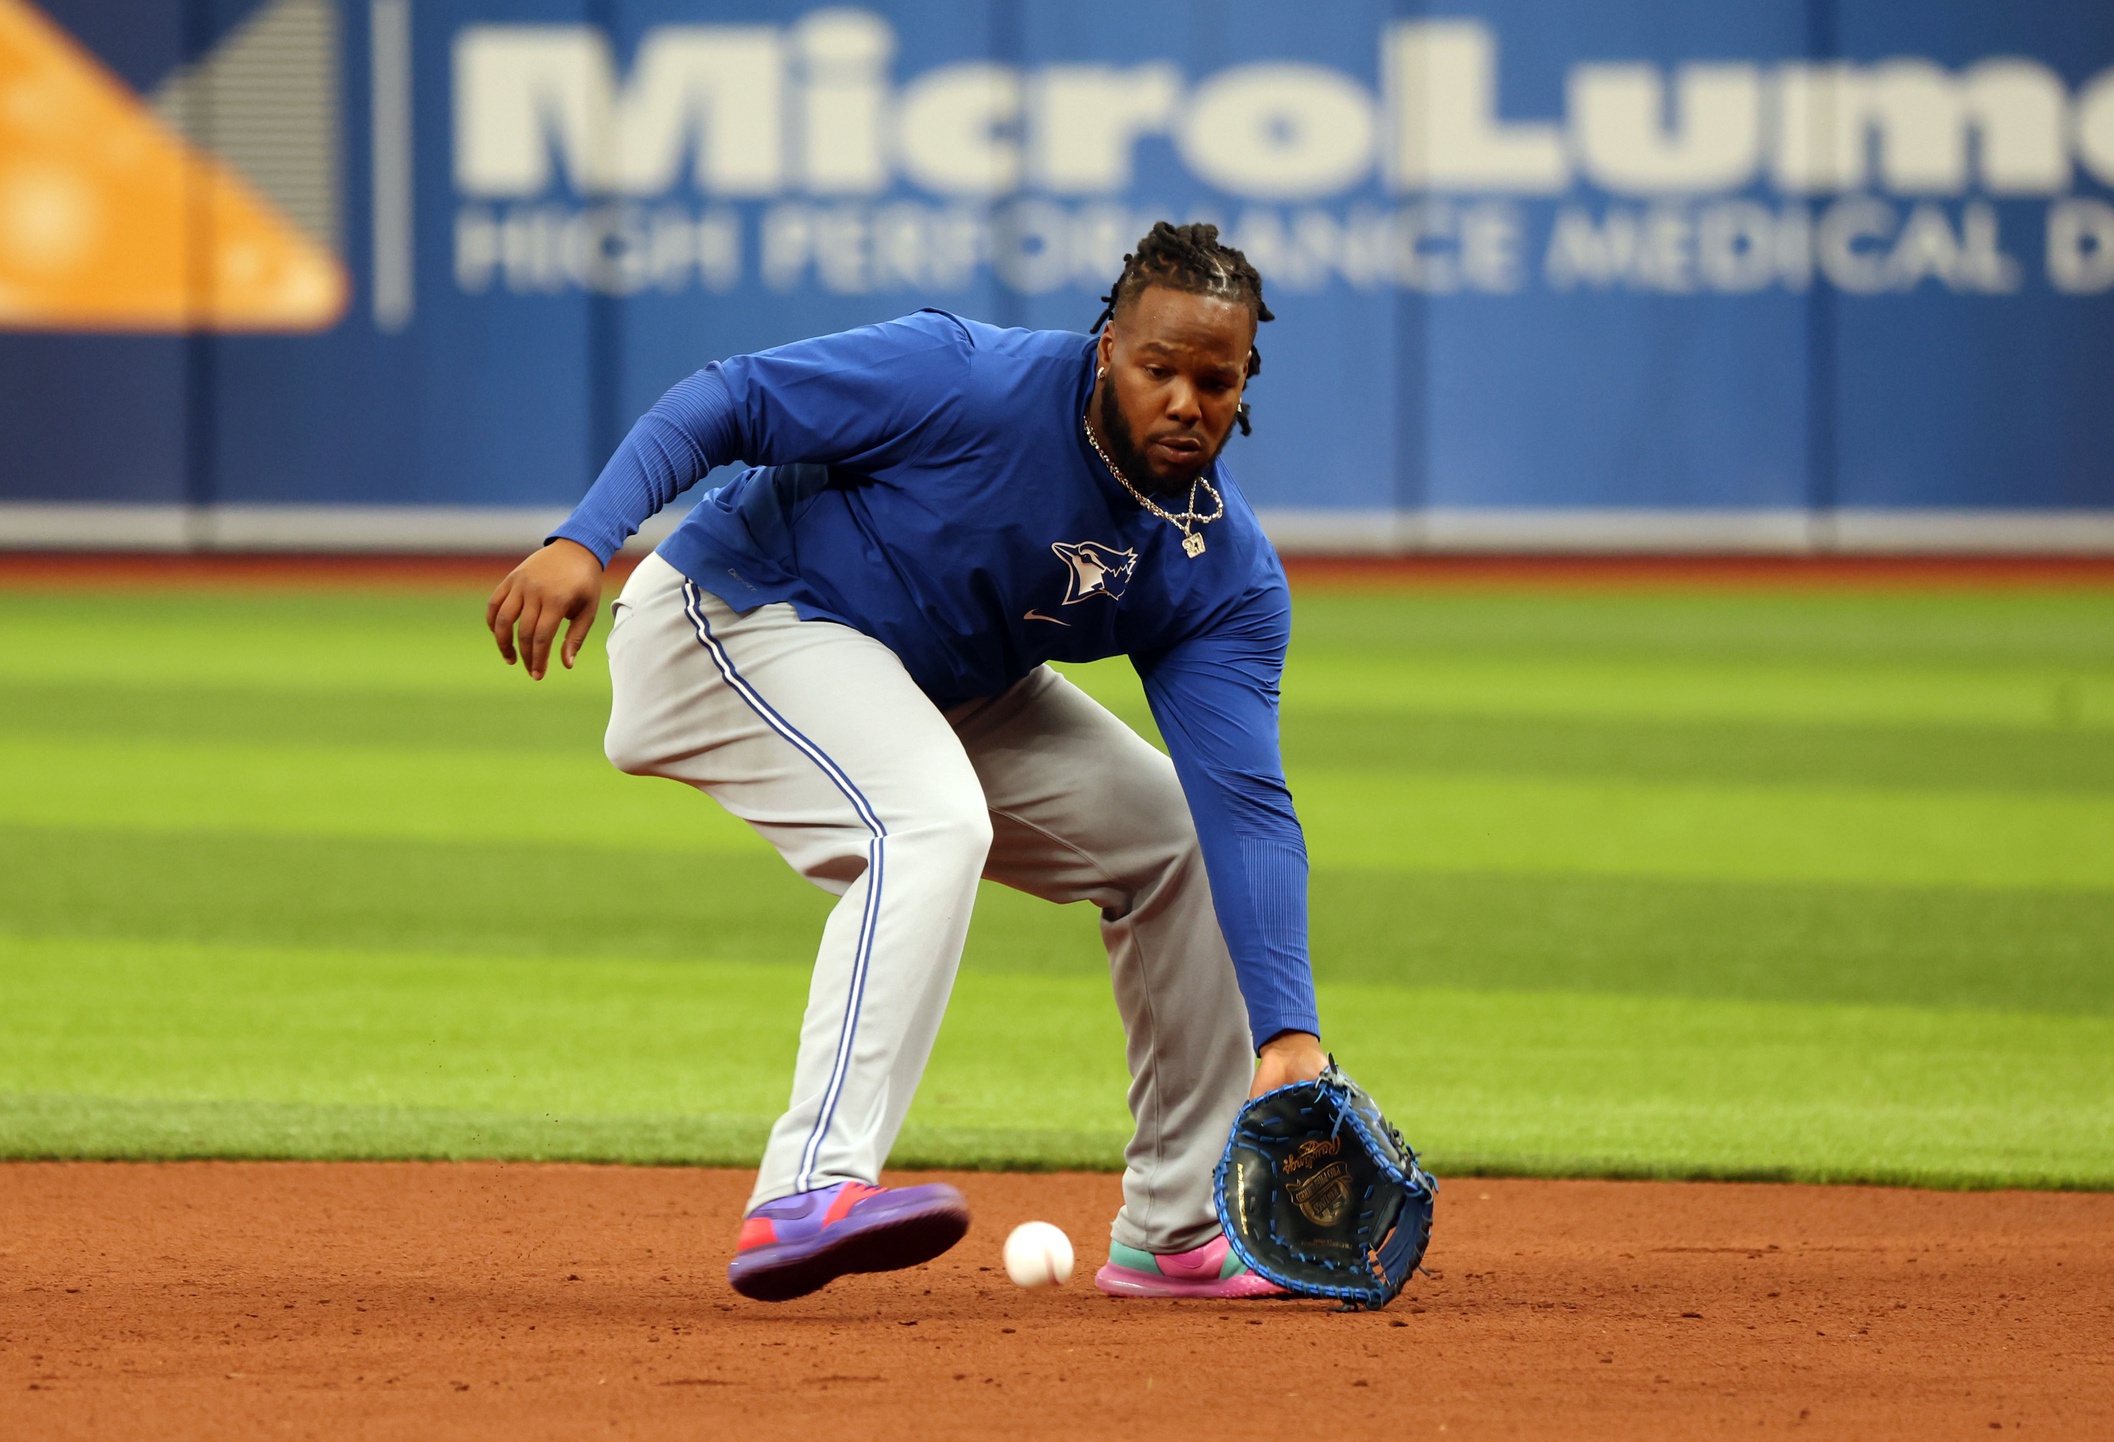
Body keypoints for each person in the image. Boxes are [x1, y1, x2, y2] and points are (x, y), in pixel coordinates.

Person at [485, 222, 1325, 1303]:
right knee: (930, 817)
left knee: (1173, 836)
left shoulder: (1220, 572)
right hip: (737, 612)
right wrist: (585, 537)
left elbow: (1244, 805)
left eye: (1212, 379)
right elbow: (728, 396)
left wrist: (1288, 1027)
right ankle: (807, 1187)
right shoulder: (965, 379)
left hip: (939, 677)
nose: (1182, 400)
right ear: (1106, 346)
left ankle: (1173, 1228)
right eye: (1157, 366)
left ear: (1243, 378)